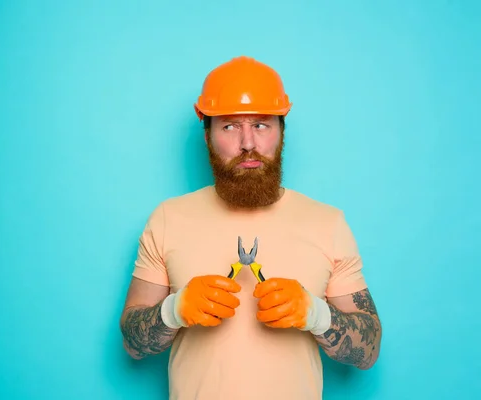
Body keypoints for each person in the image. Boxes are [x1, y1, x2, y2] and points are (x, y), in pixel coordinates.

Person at [119, 56, 382, 400]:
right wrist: (174, 310)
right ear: (208, 135)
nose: (248, 143)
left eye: (261, 125)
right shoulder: (168, 218)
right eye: (229, 126)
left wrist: (316, 314)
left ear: (281, 131)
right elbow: (132, 345)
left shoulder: (327, 223)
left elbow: (369, 350)